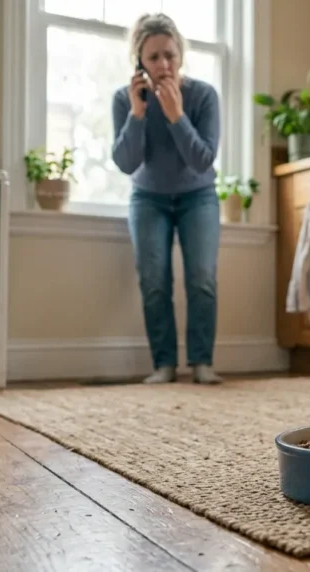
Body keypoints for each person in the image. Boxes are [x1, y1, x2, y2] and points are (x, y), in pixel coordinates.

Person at [111, 13, 223, 384]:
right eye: (154, 57)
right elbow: (126, 163)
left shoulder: (203, 96)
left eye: (170, 55)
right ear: (139, 61)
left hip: (199, 197)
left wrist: (177, 117)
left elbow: (202, 159)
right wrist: (138, 114)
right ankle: (164, 365)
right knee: (154, 281)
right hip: (148, 198)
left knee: (202, 279)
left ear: (181, 54)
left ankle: (202, 362)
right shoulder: (124, 100)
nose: (163, 65)